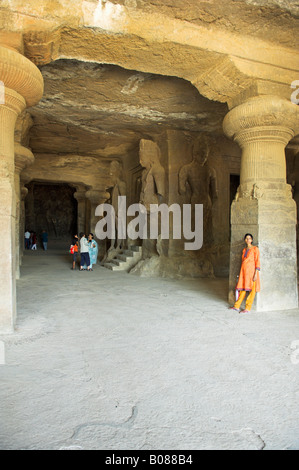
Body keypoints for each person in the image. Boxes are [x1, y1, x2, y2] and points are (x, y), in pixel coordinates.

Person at [230, 233, 260, 314]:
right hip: (243, 272)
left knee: (252, 291)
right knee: (242, 289)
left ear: (252, 240)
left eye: (249, 238)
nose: (248, 240)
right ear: (245, 240)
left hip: (252, 272)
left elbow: (257, 261)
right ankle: (236, 306)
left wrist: (255, 274)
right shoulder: (244, 250)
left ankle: (247, 308)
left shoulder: (255, 249)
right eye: (246, 238)